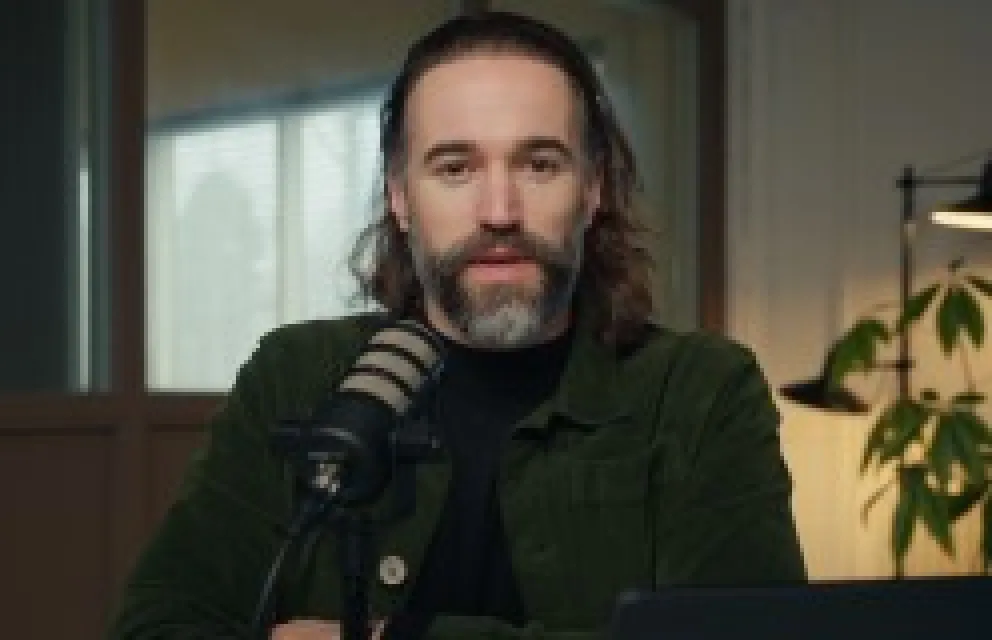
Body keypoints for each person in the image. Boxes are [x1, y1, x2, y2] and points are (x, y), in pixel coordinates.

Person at [106, 11, 806, 640]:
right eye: (455, 167)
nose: (499, 211)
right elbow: (157, 625)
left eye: (539, 164)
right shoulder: (295, 374)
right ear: (400, 195)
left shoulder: (699, 393)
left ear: (592, 189)